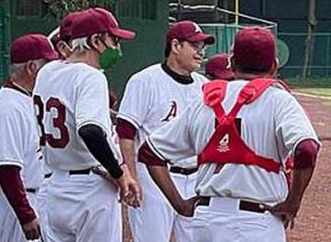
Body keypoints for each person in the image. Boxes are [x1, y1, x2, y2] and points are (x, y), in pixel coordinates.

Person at [137, 27, 320, 241]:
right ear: (274, 66)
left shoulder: (203, 103)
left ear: (232, 64)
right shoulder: (279, 101)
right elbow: (307, 149)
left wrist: (179, 203)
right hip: (256, 224)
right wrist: (293, 202)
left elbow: (150, 152)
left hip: (207, 221)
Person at [32, 7, 141, 242]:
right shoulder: (91, 76)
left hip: (54, 185)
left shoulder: (47, 71)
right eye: (113, 39)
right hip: (89, 190)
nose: (116, 47)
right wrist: (119, 173)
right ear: (95, 40)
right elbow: (89, 130)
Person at [117, 21, 215, 242]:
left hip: (195, 178)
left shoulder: (205, 86)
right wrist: (131, 177)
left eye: (203, 47)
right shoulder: (145, 81)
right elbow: (125, 133)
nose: (201, 52)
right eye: (195, 45)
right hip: (153, 178)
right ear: (176, 45)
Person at [0, 34, 57, 241]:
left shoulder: (27, 99)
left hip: (34, 197)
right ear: (32, 67)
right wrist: (25, 215)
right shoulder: (8, 108)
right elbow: (7, 168)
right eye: (47, 65)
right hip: (15, 204)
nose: (51, 71)